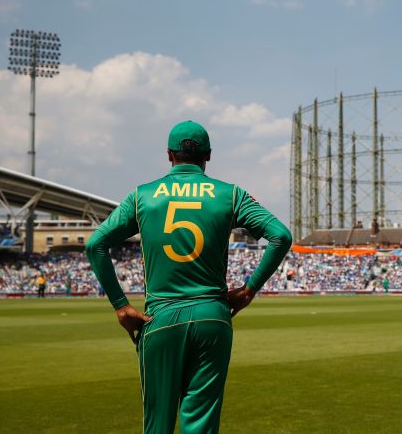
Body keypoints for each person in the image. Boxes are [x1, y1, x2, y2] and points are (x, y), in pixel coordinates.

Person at [86, 120, 292, 434]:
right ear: (208, 156)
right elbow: (280, 236)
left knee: (158, 424)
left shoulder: (142, 196)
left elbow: (95, 244)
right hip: (213, 316)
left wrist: (120, 305)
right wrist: (249, 290)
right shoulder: (231, 194)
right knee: (202, 425)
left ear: (169, 155)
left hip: (162, 318)